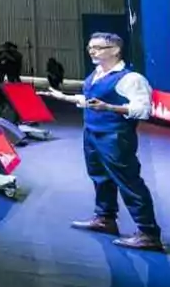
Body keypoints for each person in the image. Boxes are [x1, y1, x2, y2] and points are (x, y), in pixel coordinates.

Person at [51, 32, 163, 250]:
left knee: (128, 181)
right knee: (99, 177)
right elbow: (92, 100)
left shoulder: (130, 79)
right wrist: (63, 97)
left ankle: (148, 232)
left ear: (115, 50)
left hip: (114, 136)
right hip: (92, 134)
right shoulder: (96, 74)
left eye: (98, 47)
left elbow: (143, 110)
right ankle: (105, 218)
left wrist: (109, 108)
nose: (92, 51)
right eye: (90, 47)